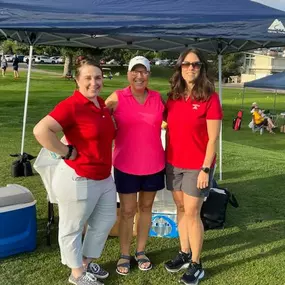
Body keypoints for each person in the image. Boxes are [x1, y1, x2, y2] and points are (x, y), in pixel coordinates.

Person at [33, 56, 117, 285]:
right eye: (88, 78)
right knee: (73, 227)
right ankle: (76, 273)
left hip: (104, 177)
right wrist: (66, 151)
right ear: (77, 81)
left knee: (105, 221)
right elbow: (41, 130)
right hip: (78, 176)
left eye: (98, 77)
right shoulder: (72, 106)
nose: (94, 82)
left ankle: (86, 262)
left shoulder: (101, 105)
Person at [164, 48, 223, 285]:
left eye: (196, 64)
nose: (191, 68)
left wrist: (206, 169)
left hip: (197, 167)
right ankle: (184, 252)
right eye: (186, 64)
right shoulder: (173, 97)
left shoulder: (211, 97)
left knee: (192, 212)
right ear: (180, 67)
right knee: (180, 209)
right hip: (173, 162)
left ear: (202, 68)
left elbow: (212, 139)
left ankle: (197, 264)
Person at [105, 56, 165, 275]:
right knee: (128, 210)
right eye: (135, 71)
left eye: (144, 72)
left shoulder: (158, 98)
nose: (139, 76)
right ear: (128, 74)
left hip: (154, 164)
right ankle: (124, 254)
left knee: (146, 208)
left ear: (149, 75)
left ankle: (140, 251)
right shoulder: (117, 97)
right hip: (125, 164)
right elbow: (98, 120)